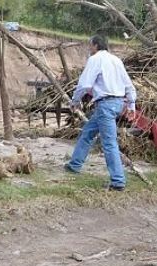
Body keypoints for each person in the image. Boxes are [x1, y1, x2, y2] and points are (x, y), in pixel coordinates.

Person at [65, 35, 136, 191]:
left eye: (90, 46)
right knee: (88, 132)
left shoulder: (95, 59)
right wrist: (131, 105)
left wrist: (75, 101)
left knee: (109, 143)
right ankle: (74, 165)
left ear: (96, 46)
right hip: (117, 104)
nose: (89, 49)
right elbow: (129, 86)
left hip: (105, 105)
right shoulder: (116, 60)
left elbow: (84, 84)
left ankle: (118, 181)